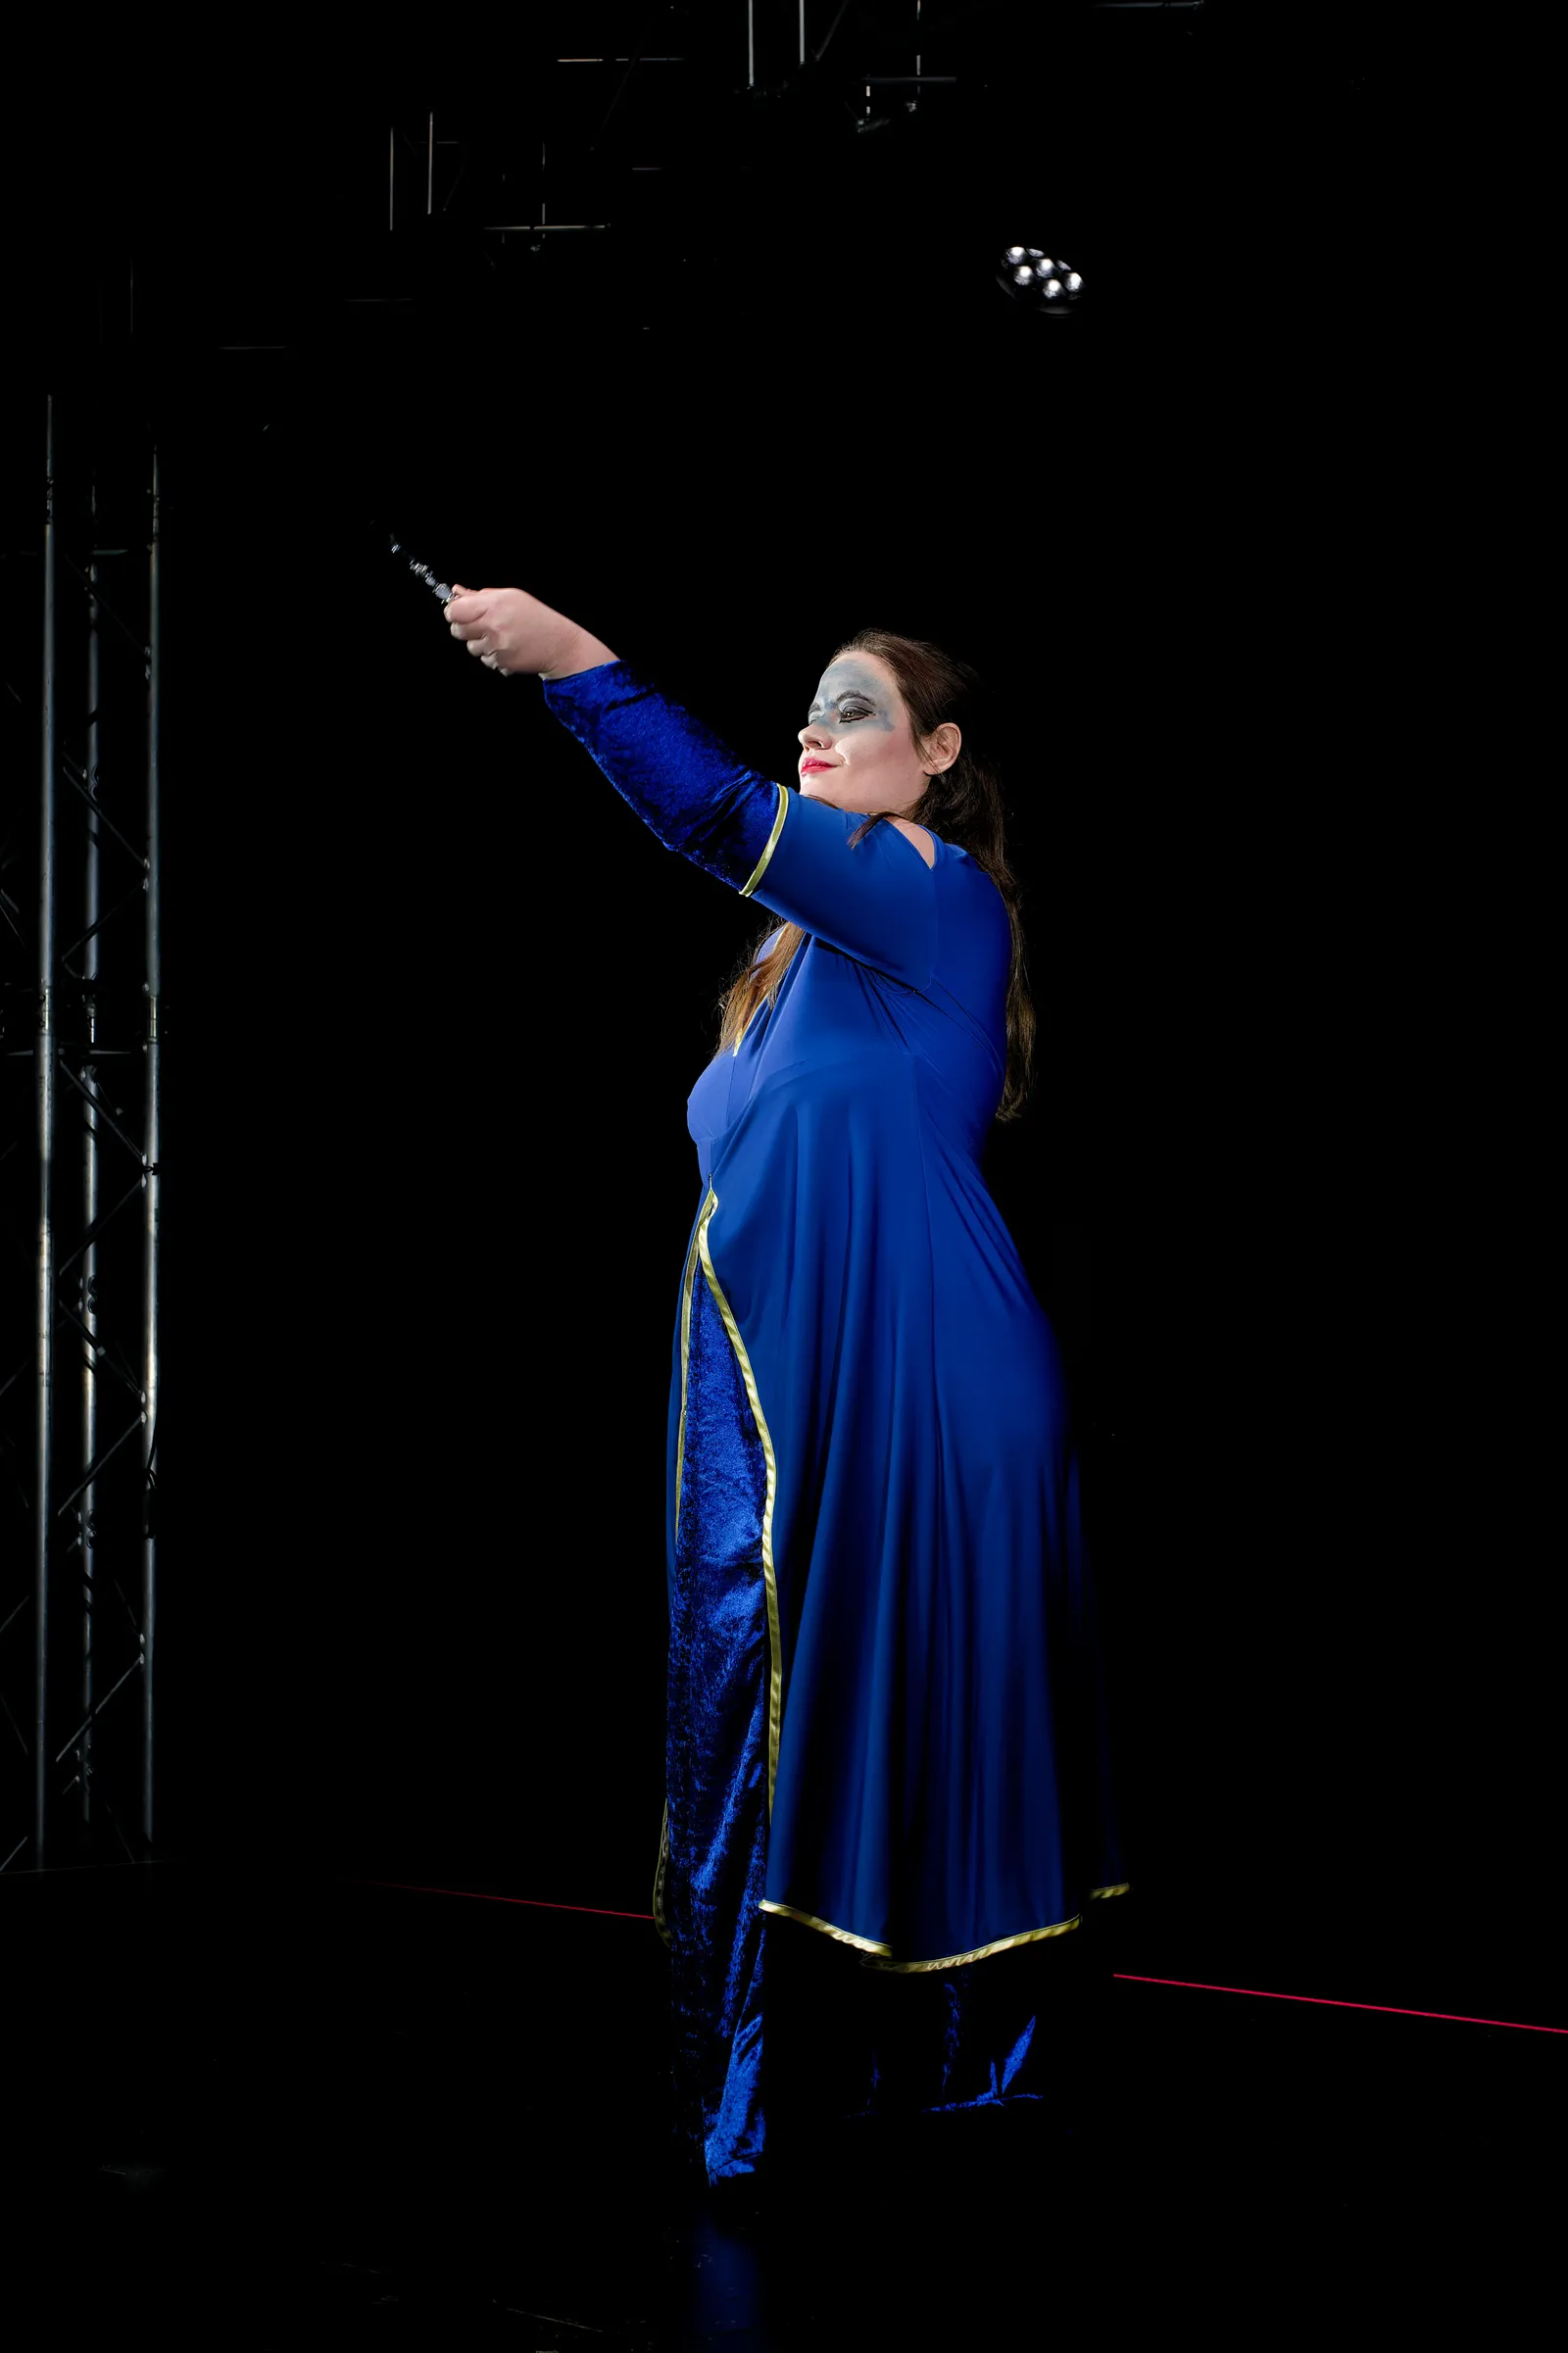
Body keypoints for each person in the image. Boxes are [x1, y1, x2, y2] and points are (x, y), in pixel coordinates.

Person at [444, 581, 1128, 2186]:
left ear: (938, 755)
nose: (818, 732)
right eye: (810, 709)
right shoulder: (795, 954)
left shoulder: (930, 890)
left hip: (929, 1384)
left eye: (857, 709)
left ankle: (933, 2077)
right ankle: (810, 2084)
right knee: (799, 1712)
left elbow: (706, 808)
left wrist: (573, 662)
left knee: (886, 1719)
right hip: (800, 1376)